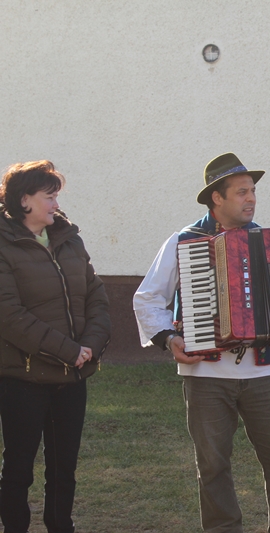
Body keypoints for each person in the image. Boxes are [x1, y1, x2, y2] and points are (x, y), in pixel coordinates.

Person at [133, 152, 270, 533]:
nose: (251, 199)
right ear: (217, 198)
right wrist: (169, 338)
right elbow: (147, 298)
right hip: (205, 374)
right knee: (213, 466)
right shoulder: (185, 241)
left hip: (264, 371)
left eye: (253, 192)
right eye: (241, 192)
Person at [0, 160, 111, 533]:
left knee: (64, 468)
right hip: (23, 380)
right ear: (25, 200)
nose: (56, 203)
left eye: (57, 195)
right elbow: (9, 316)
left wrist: (89, 346)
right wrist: (69, 351)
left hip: (72, 378)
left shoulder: (69, 239)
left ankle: (61, 526)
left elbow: (96, 297)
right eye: (49, 196)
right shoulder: (2, 245)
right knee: (19, 468)